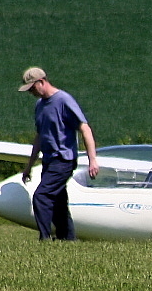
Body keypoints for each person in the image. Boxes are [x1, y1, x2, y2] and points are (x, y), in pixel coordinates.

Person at [19, 67, 99, 240]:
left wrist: (93, 160)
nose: (31, 92)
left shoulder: (64, 100)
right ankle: (68, 239)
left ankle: (45, 238)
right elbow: (39, 137)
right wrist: (28, 167)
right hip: (49, 160)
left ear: (42, 82)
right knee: (58, 202)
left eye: (32, 88)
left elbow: (84, 128)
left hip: (63, 160)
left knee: (42, 196)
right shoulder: (39, 105)